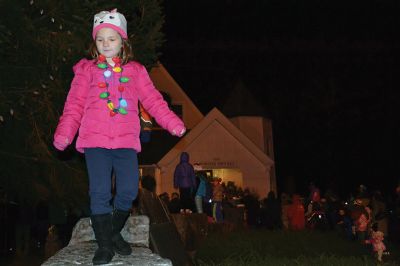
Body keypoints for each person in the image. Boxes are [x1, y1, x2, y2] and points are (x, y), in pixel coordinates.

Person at [53, 9, 185, 265]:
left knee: (127, 191)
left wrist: (173, 123)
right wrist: (64, 133)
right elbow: (74, 105)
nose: (105, 44)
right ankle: (104, 245)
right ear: (95, 42)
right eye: (100, 39)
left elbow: (154, 101)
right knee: (100, 192)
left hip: (125, 142)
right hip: (94, 142)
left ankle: (112, 233)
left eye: (111, 39)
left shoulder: (135, 71)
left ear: (123, 42)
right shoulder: (87, 71)